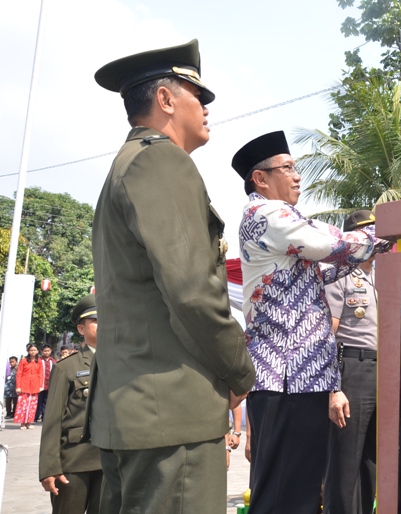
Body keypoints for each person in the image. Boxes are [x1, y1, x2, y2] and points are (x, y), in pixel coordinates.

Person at [90, 39, 255, 513]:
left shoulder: (126, 166)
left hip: (139, 410)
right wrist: (240, 370)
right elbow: (192, 292)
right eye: (196, 95)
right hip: (172, 412)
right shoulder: (161, 161)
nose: (206, 108)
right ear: (165, 100)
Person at [232, 131, 391, 514]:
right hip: (286, 377)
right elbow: (327, 245)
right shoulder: (266, 213)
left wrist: (373, 245)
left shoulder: (279, 224)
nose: (297, 175)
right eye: (287, 167)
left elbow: (324, 268)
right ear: (260, 178)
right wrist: (388, 233)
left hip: (303, 378)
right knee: (283, 496)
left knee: (299, 492)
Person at [323, 210, 379, 514]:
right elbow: (326, 335)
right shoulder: (340, 273)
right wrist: (334, 389)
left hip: (379, 371)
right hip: (350, 370)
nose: (373, 237)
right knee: (344, 464)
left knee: (370, 462)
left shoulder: (381, 275)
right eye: (366, 231)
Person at [39, 294, 102, 514]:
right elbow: (52, 420)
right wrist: (49, 468)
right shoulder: (66, 367)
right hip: (74, 463)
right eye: (96, 320)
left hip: (112, 461)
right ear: (81, 329)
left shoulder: (123, 363)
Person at [15, 343, 42, 429]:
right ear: (28, 351)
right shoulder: (23, 360)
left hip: (35, 385)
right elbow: (19, 374)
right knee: (23, 405)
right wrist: (18, 386)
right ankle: (22, 423)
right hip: (24, 385)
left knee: (32, 405)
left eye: (34, 350)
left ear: (37, 351)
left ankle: (29, 422)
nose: (33, 352)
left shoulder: (39, 361)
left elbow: (41, 374)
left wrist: (40, 386)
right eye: (31, 350)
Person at [36, 344, 56, 422]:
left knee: (46, 402)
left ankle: (44, 417)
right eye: (45, 351)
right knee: (38, 401)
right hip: (40, 385)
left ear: (50, 351)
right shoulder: (38, 360)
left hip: (49, 385)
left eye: (48, 351)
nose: (46, 352)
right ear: (42, 351)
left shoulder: (53, 361)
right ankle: (36, 417)